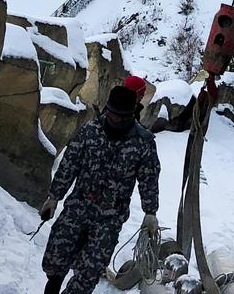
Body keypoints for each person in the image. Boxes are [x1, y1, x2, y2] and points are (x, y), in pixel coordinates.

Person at [39, 84, 162, 294]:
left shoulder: (143, 142)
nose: (116, 120)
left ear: (131, 114)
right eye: (113, 114)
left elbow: (149, 178)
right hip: (78, 205)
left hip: (110, 216)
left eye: (122, 116)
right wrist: (54, 197)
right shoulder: (90, 131)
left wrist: (150, 212)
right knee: (55, 260)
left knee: (89, 273)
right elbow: (70, 164)